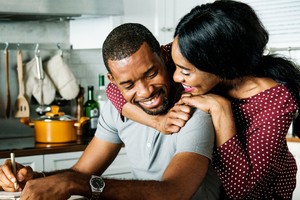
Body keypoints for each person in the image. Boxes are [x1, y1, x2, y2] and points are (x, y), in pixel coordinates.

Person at [0, 23, 221, 200]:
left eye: (151, 73)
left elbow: (175, 192)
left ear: (165, 58)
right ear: (113, 82)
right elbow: (81, 173)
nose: (145, 91)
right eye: (128, 84)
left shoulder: (193, 109)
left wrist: (74, 183)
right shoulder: (115, 111)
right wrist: (33, 179)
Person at [105, 1, 300, 199]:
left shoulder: (276, 101)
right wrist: (158, 122)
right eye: (177, 67)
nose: (176, 77)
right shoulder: (185, 51)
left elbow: (242, 190)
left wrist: (220, 108)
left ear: (219, 65)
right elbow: (114, 89)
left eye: (185, 72)